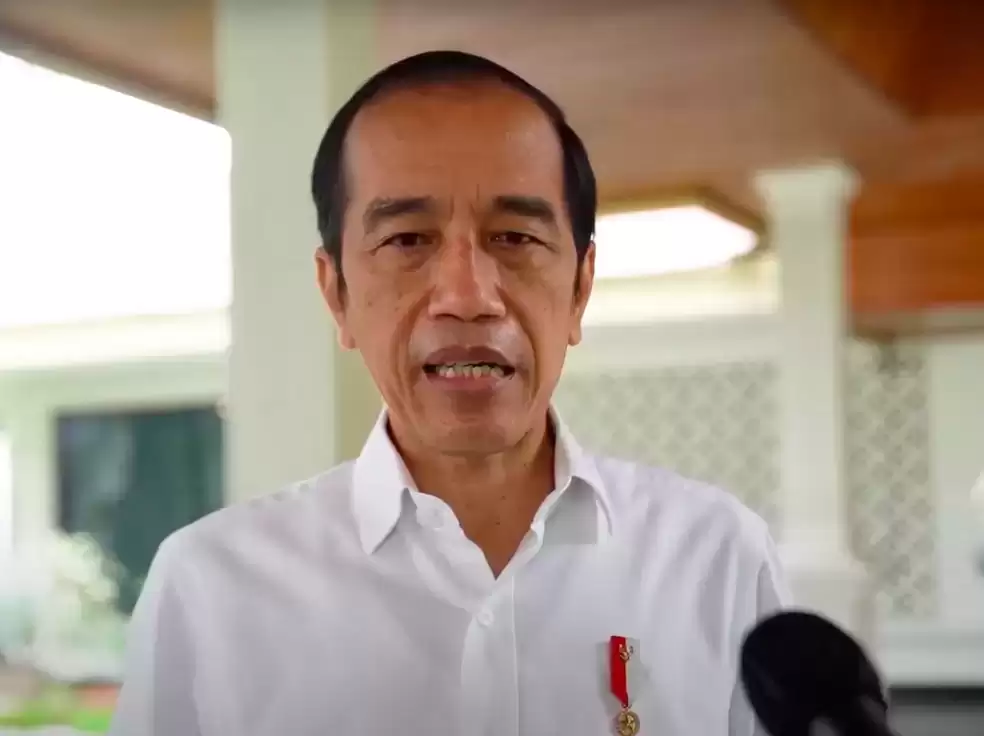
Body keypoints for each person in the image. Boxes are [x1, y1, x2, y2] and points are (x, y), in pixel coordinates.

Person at [110, 50, 789, 736]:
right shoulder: (211, 591)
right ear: (336, 294)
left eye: (515, 237)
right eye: (408, 240)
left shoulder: (716, 560)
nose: (468, 296)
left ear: (580, 288)